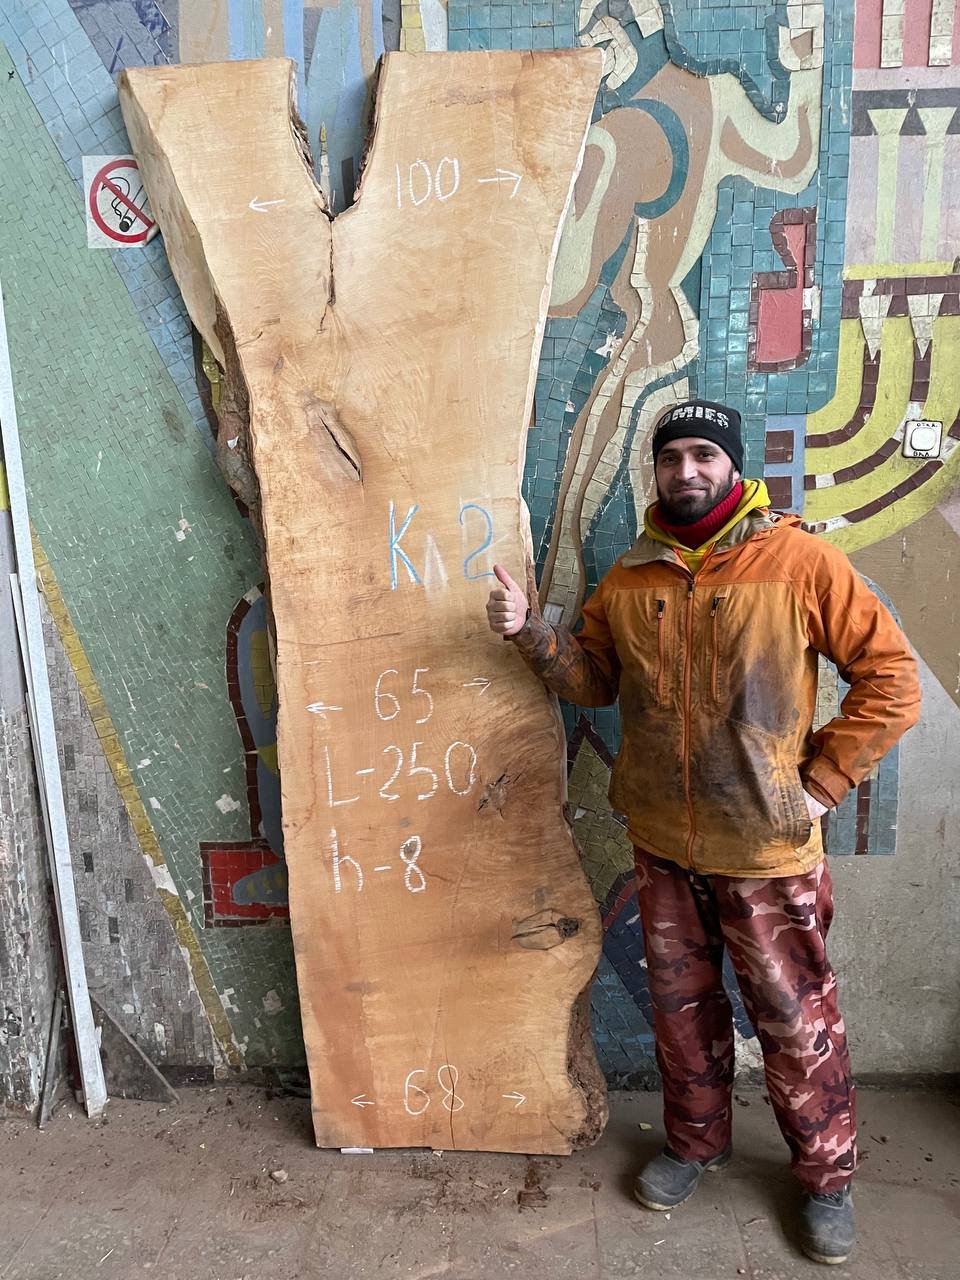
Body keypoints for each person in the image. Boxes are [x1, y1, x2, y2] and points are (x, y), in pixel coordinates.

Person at [486, 399, 920, 1266]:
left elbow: (893, 681)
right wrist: (530, 633)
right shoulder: (631, 577)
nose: (686, 470)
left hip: (767, 853)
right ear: (655, 470)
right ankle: (694, 1144)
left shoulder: (799, 563)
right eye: (670, 457)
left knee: (795, 1020)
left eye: (703, 455)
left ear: (732, 466)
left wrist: (821, 785)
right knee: (681, 1011)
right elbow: (595, 681)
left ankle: (826, 1180)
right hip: (664, 845)